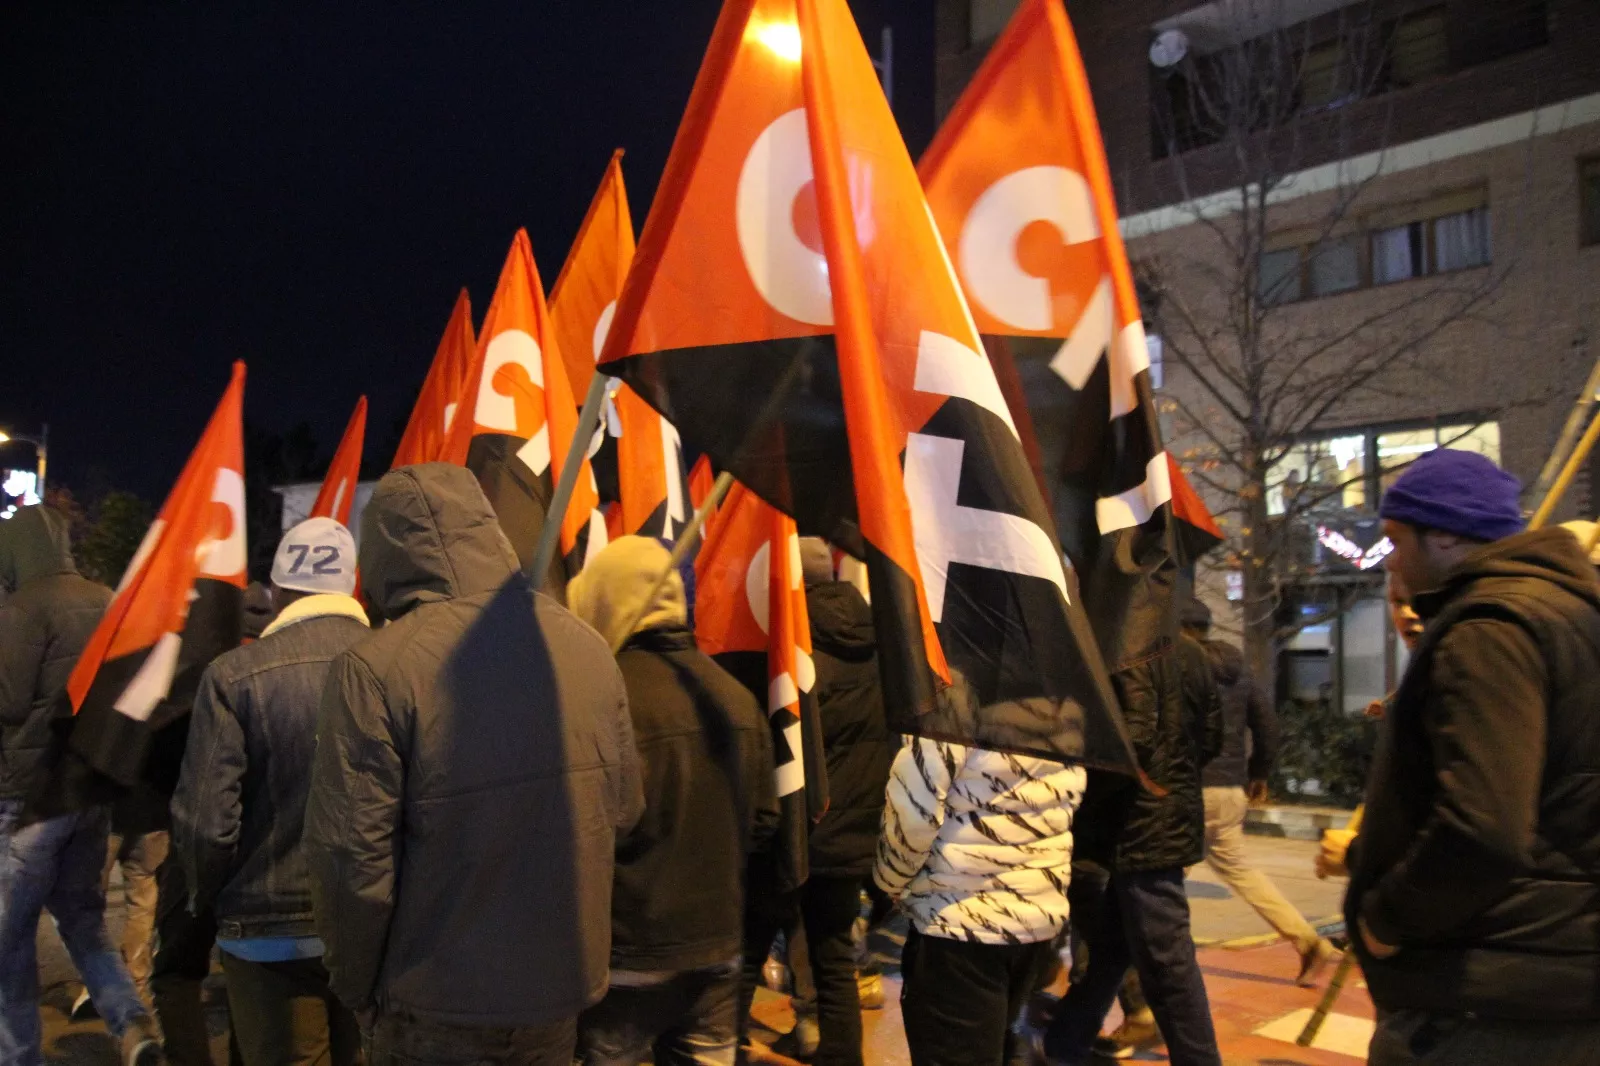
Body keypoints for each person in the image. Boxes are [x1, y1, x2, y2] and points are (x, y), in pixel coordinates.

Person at [303, 463, 643, 1066]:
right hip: (555, 991)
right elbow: (622, 810)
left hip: (433, 1000)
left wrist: (354, 985)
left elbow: (352, 864)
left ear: (382, 551)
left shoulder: (374, 669)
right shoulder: (585, 644)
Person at [1347, 449, 1600, 1062]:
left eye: (1396, 542)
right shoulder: (1571, 617)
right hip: (1553, 980)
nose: (1394, 566)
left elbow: (1482, 828)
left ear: (1444, 535)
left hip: (1484, 991)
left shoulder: (1489, 629)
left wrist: (1385, 921)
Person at [567, 536, 776, 1066]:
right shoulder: (735, 697)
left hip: (628, 955)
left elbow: (581, 833)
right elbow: (764, 820)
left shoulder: (601, 703)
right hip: (718, 948)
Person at [170, 519, 369, 1066]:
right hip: (371, 926)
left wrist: (208, 899)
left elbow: (207, 824)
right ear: (350, 584)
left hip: (263, 933)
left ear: (278, 590)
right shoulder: (396, 666)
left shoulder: (235, 676)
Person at [0, 504, 163, 1066]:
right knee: (85, 923)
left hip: (28, 795)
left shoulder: (23, 607)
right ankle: (131, 1020)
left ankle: (18, 1056)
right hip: (89, 791)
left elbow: (9, 700)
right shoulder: (108, 599)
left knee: (10, 937)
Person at [1042, 634, 1223, 1066]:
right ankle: (1063, 1043)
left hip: (1138, 825)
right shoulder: (1192, 650)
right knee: (1116, 946)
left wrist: (1083, 803)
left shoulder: (1122, 648)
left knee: (1167, 960)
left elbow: (1131, 745)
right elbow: (1212, 735)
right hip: (1168, 813)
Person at [874, 734, 1088, 1066]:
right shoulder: (1062, 703)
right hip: (1036, 916)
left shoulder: (951, 709)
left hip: (959, 920)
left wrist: (889, 881)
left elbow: (913, 815)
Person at [1180, 600, 1339, 992]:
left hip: (1191, 787)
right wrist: (1259, 774)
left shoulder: (1181, 668)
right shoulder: (1240, 673)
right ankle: (1307, 940)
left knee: (1156, 882)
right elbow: (1267, 724)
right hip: (1231, 788)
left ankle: (1151, 974)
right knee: (1240, 870)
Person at [791, 538, 894, 1066]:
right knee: (834, 958)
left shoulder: (800, 655)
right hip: (862, 827)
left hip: (806, 832)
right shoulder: (879, 648)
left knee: (751, 953)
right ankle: (841, 1055)